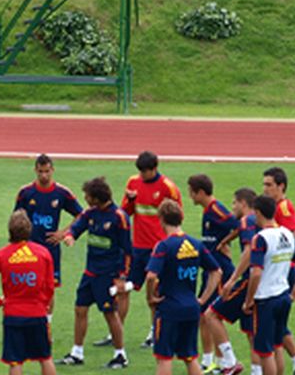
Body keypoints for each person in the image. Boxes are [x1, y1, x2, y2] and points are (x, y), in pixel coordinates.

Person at [59, 177, 131, 368]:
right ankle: (77, 353)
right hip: (90, 273)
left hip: (108, 275)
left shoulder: (119, 217)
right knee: (80, 309)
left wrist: (122, 277)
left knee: (110, 313)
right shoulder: (90, 213)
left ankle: (120, 355)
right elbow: (76, 227)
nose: (86, 199)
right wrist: (69, 236)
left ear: (97, 197)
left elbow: (127, 250)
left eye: (88, 196)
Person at [145, 200, 221, 375]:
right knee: (190, 357)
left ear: (162, 219)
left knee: (164, 358)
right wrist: (202, 299)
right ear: (181, 218)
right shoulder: (196, 244)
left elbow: (151, 276)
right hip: (191, 308)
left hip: (169, 309)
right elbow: (217, 271)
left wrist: (151, 297)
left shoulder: (163, 246)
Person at [0, 210, 57, 375]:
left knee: (15, 361)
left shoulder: (1, 255)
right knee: (45, 357)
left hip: (13, 315)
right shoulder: (43, 253)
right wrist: (43, 303)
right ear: (29, 230)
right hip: (37, 313)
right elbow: (49, 285)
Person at [117, 151, 181, 348]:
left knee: (154, 291)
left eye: (145, 171)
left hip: (158, 250)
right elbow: (124, 213)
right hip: (137, 248)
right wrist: (130, 200)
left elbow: (177, 217)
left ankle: (155, 331)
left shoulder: (168, 187)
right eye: (140, 171)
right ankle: (116, 330)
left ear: (154, 168)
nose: (142, 175)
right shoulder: (133, 183)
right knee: (125, 288)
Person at [244, 195, 295, 375]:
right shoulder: (287, 234)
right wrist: (293, 294)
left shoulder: (260, 238)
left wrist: (248, 300)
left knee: (265, 353)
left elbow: (256, 272)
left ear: (257, 213)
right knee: (277, 345)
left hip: (265, 299)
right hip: (283, 296)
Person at [185, 174, 239, 372]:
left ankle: (222, 360)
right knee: (205, 316)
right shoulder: (209, 210)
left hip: (219, 271)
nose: (189, 196)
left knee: (210, 315)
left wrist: (225, 243)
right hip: (210, 271)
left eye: (191, 191)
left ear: (199, 192)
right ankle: (213, 360)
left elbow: (237, 225)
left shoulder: (216, 209)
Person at [13, 155, 82, 303]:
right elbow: (16, 219)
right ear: (35, 170)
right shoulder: (25, 193)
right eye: (40, 172)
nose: (44, 175)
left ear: (53, 170)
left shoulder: (62, 193)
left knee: (49, 288)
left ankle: (47, 324)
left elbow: (81, 215)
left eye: (47, 171)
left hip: (51, 248)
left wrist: (63, 233)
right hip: (29, 247)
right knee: (28, 285)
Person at [206, 188, 260, 375]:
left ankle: (229, 362)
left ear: (243, 204)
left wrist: (233, 279)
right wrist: (227, 240)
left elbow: (248, 250)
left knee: (211, 315)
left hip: (249, 281)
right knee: (253, 333)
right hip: (267, 284)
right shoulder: (260, 220)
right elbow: (241, 231)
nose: (233, 207)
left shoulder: (246, 220)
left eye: (234, 203)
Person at [261, 167, 295, 375]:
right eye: (264, 184)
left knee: (276, 326)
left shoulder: (283, 207)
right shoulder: (275, 206)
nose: (265, 188)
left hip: (282, 270)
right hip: (280, 269)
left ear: (281, 186)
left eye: (269, 185)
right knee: (278, 325)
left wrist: (279, 239)